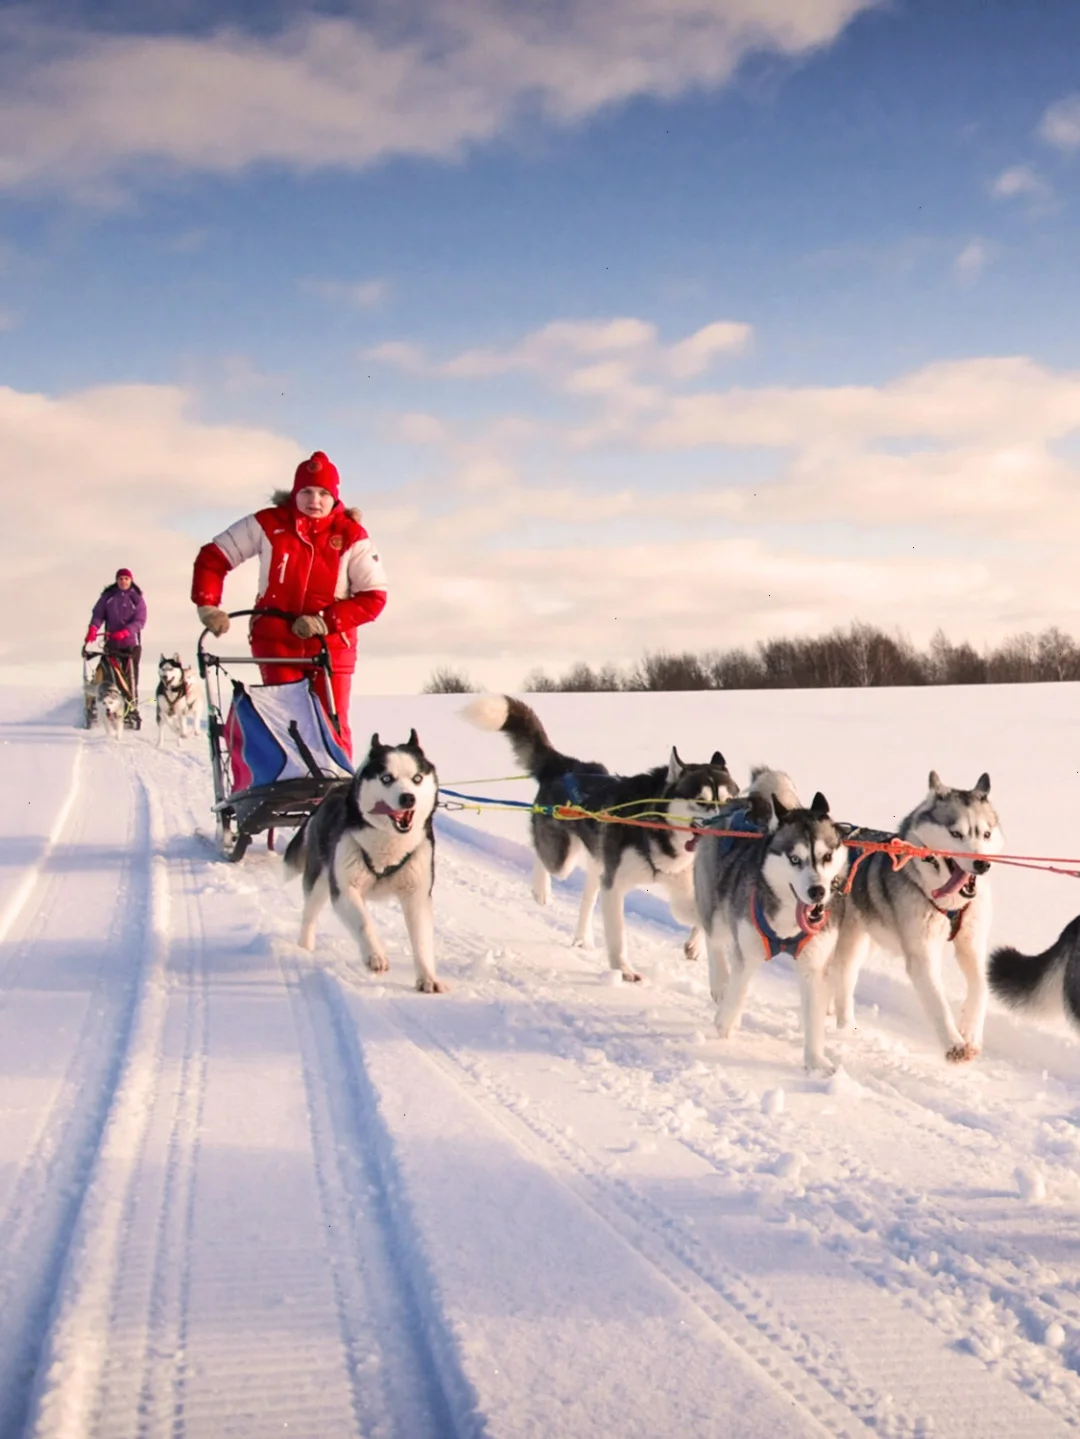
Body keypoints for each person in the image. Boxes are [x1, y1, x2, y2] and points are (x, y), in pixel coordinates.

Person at [190, 451, 387, 758]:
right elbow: (212, 558)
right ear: (294, 493)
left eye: (324, 493)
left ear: (335, 498)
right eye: (306, 491)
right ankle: (288, 792)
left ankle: (335, 795)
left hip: (331, 645)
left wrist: (325, 621)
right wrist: (208, 605)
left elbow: (373, 597)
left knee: (332, 726)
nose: (314, 500)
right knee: (286, 724)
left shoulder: (351, 536)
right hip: (276, 642)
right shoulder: (268, 524)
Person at [84, 567, 147, 704]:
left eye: (126, 579)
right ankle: (105, 704)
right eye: (120, 579)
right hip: (112, 644)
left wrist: (126, 632)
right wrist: (93, 629)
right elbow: (98, 614)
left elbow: (140, 621)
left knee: (130, 678)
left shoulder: (136, 599)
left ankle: (131, 706)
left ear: (131, 580)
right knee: (109, 677)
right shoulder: (108, 597)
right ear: (116, 580)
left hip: (131, 646)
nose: (123, 581)